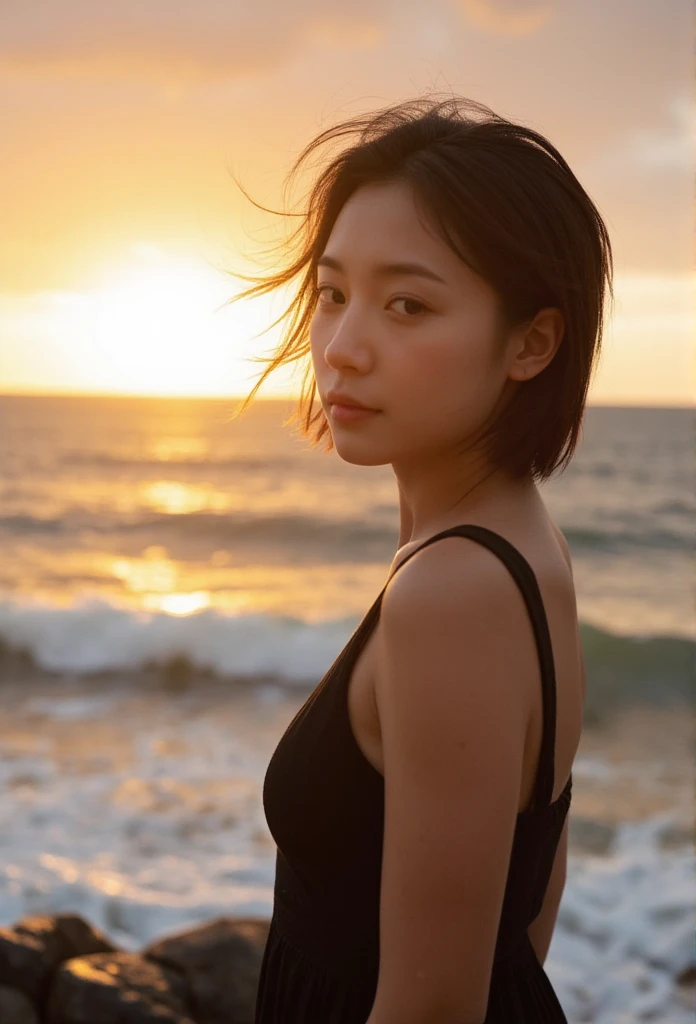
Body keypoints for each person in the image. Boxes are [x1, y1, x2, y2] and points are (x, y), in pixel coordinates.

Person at [227, 93, 613, 1023]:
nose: (343, 348)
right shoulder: (521, 543)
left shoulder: (453, 589)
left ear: (532, 343)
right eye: (332, 293)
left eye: (407, 304)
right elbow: (531, 887)